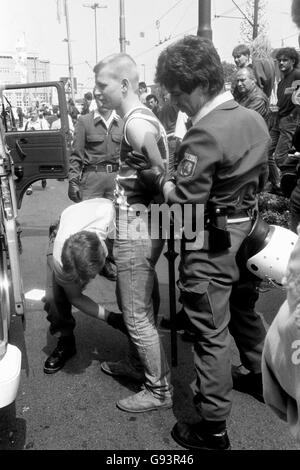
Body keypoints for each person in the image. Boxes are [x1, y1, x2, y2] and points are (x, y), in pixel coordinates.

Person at [126, 35, 270, 450]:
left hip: (210, 241)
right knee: (242, 309)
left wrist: (161, 180)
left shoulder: (204, 133)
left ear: (198, 84)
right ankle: (261, 377)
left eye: (177, 93)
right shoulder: (251, 118)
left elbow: (183, 205)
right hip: (247, 232)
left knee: (210, 332)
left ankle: (213, 427)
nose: (177, 102)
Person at [93, 53, 173, 413]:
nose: (97, 92)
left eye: (102, 85)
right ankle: (137, 364)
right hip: (148, 225)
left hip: (137, 228)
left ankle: (158, 390)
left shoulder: (134, 125)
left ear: (124, 85)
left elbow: (162, 172)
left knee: (135, 313)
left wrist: (155, 181)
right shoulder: (144, 118)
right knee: (144, 302)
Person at [43, 197, 127, 374]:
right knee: (54, 298)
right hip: (67, 224)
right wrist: (112, 318)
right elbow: (75, 297)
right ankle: (66, 341)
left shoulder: (113, 220)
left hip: (101, 214)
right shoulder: (59, 257)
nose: (83, 283)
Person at [68, 86, 123, 203]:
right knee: (90, 218)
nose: (102, 100)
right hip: (92, 180)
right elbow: (76, 155)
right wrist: (73, 180)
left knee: (117, 218)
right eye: (98, 96)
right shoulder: (84, 121)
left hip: (116, 179)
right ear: (94, 98)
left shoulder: (122, 123)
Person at [267, 47, 300, 192]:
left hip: (289, 120)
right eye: (279, 60)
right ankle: (277, 184)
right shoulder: (282, 81)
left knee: (280, 157)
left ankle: (293, 184)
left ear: (293, 61)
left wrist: (294, 115)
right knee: (265, 151)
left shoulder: (297, 75)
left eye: (285, 60)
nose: (281, 63)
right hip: (278, 120)